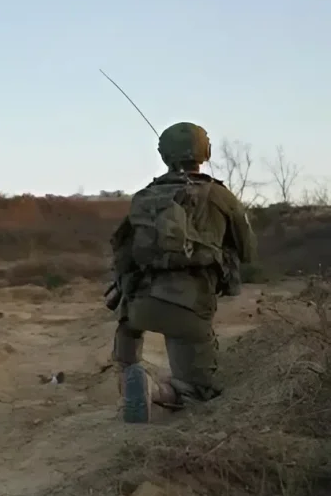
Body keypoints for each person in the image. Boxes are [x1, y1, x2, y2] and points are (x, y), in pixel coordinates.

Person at [109, 122, 257, 423]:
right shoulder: (218, 195)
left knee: (135, 352)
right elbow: (249, 252)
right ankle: (154, 390)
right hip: (188, 307)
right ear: (205, 152)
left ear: (164, 155)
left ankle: (131, 380)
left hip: (137, 307)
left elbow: (122, 253)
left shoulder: (143, 197)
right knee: (198, 394)